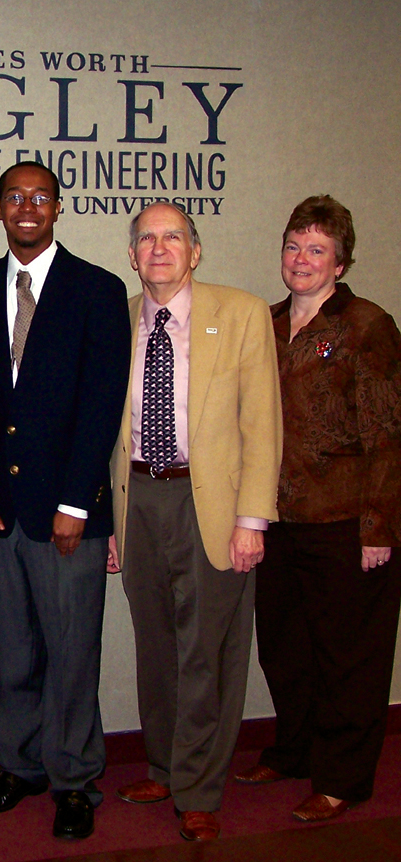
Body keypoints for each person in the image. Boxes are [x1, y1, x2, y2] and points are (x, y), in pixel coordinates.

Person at [0, 162, 130, 840]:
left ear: (57, 207)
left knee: (70, 649)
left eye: (39, 197)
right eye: (14, 197)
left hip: (68, 513)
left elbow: (101, 405)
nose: (26, 208)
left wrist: (77, 502)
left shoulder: (97, 290)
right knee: (7, 649)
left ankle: (74, 778)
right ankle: (21, 764)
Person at [108, 202, 282, 842]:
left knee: (207, 651)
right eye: (146, 239)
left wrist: (252, 520)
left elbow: (263, 423)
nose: (159, 248)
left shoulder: (240, 314)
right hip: (141, 501)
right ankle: (164, 766)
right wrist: (112, 520)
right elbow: (110, 431)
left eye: (173, 237)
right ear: (132, 255)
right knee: (155, 646)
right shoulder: (119, 318)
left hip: (209, 504)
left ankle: (200, 788)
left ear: (195, 250)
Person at [235, 195, 401, 822]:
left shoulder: (367, 325)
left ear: (340, 261)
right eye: (293, 246)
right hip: (277, 520)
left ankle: (344, 778)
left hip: (348, 521)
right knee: (285, 648)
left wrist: (379, 528)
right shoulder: (267, 322)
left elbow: (388, 433)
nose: (301, 259)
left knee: (348, 658)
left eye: (317, 250)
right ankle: (293, 750)